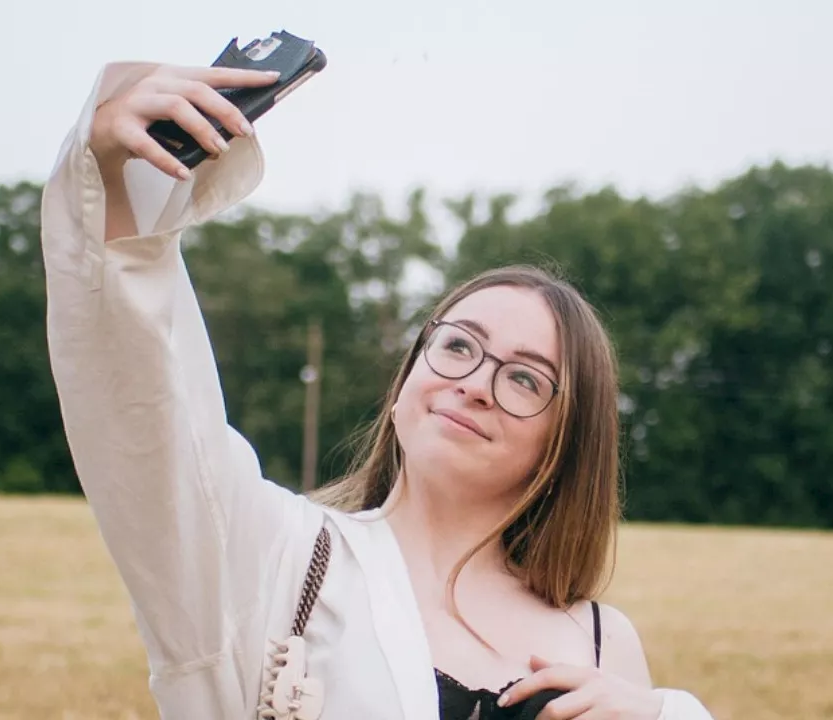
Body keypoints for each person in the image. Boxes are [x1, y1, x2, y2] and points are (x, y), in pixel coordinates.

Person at [41, 61, 717, 720]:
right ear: (403, 388)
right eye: (457, 345)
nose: (476, 384)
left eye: (523, 379)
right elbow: (151, 413)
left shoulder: (603, 641)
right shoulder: (276, 554)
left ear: (564, 444)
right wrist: (114, 177)